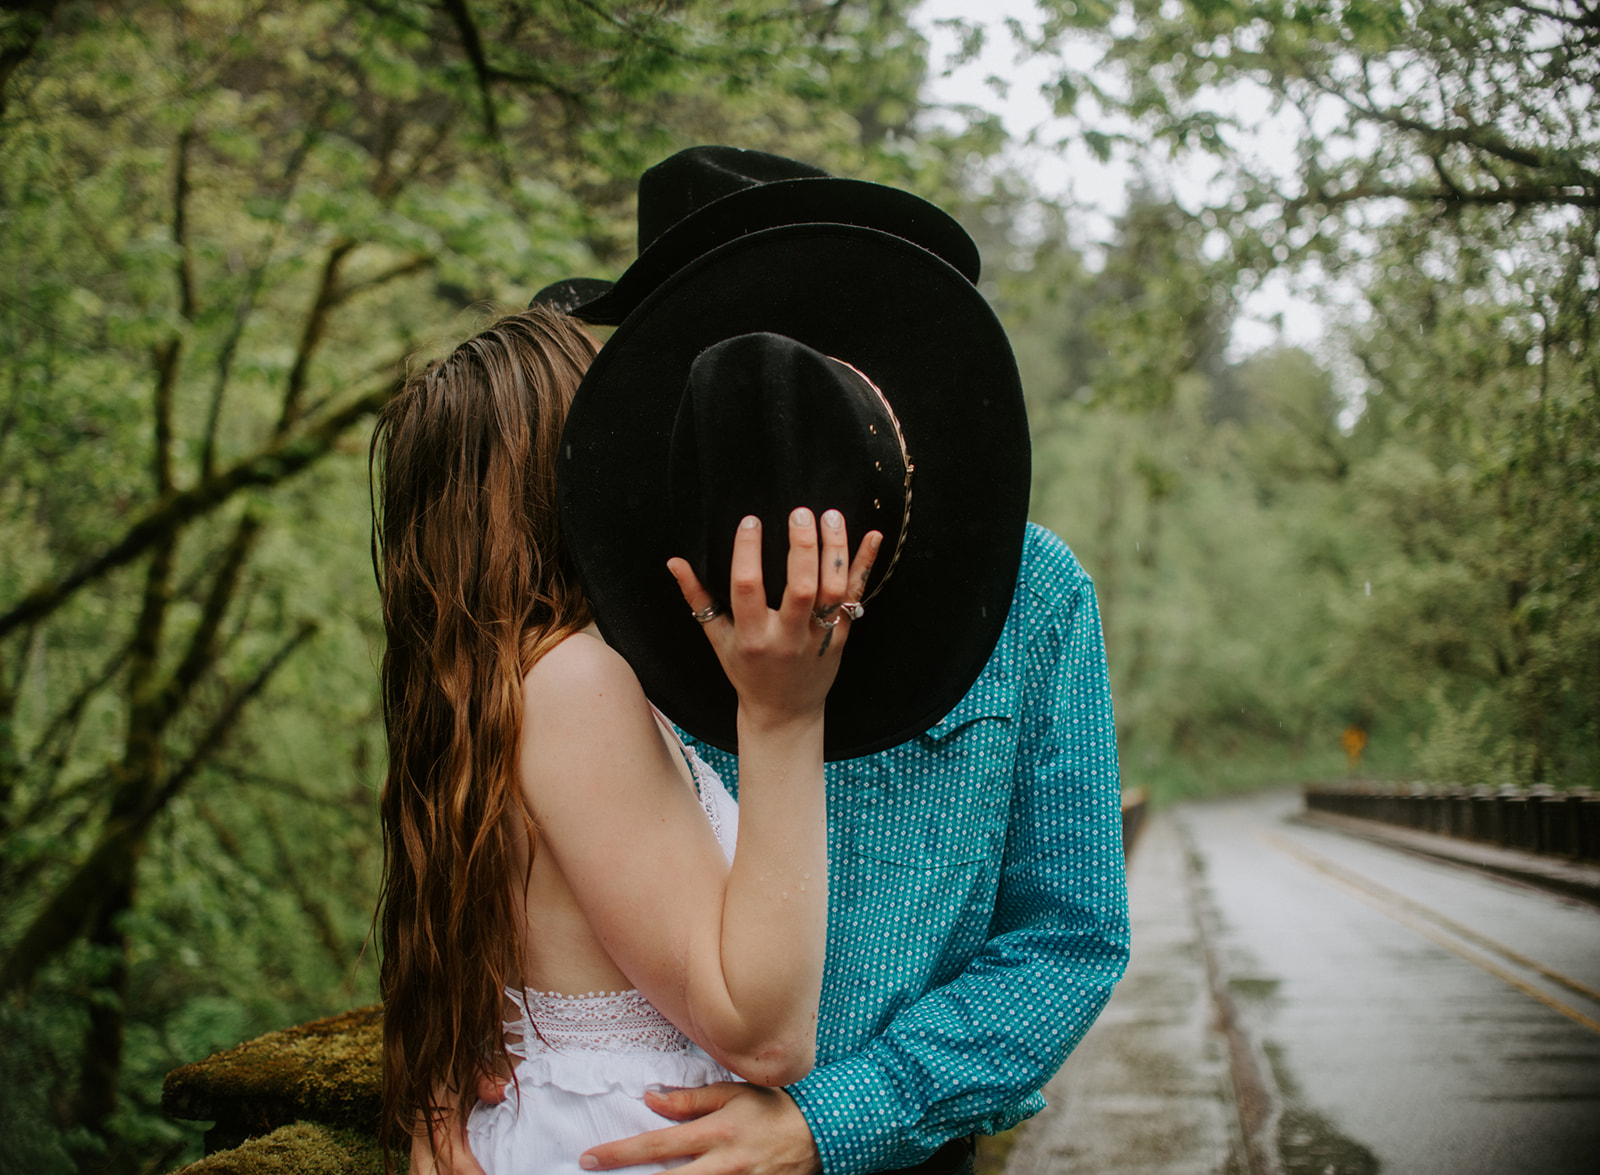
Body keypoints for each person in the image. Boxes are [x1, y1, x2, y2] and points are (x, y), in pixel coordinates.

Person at [438, 146, 1131, 1175]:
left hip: (901, 1151)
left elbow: (1068, 936)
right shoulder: (594, 577)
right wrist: (442, 1046)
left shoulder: (1033, 595)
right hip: (631, 1145)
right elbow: (488, 825)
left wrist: (836, 1117)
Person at [370, 305, 881, 1174]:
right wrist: (784, 716)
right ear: (564, 476)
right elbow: (763, 1035)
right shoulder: (576, 682)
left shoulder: (493, 691)